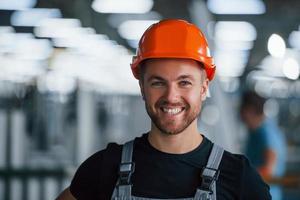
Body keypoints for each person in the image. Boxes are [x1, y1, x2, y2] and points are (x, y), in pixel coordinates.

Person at [56, 19, 271, 200]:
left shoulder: (238, 177)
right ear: (142, 87)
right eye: (158, 83)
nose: (171, 97)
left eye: (184, 82)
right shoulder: (104, 169)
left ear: (204, 88)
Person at [240, 91, 287, 200]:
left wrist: (238, 174)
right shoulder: (256, 132)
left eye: (241, 109)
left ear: (249, 110)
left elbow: (269, 169)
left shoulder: (266, 133)